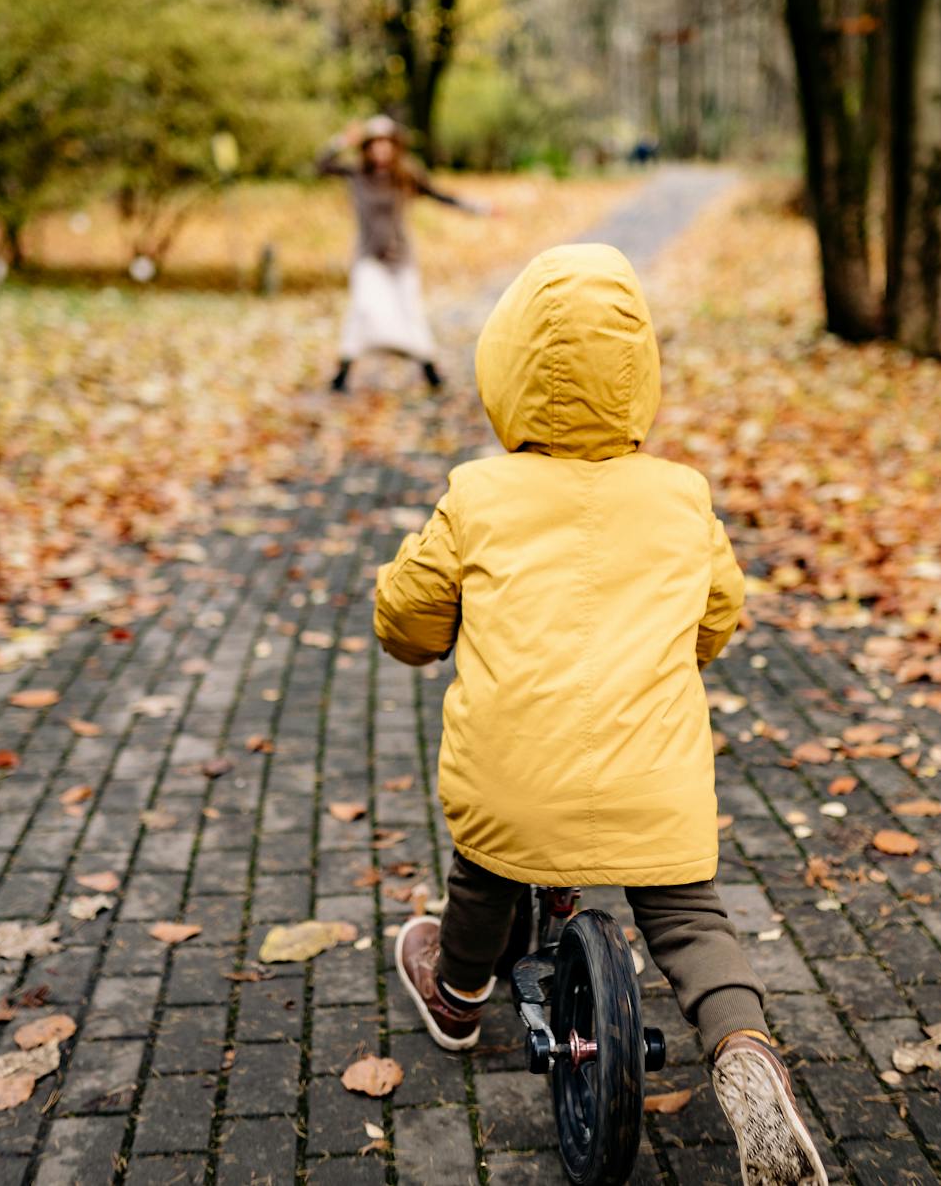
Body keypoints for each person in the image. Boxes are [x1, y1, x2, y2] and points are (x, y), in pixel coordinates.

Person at [375, 243, 831, 1186]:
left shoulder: (480, 494)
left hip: (517, 778)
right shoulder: (679, 495)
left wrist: (426, 631)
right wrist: (678, 649)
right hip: (650, 780)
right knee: (690, 914)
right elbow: (718, 616)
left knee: (487, 871)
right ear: (639, 376)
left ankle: (458, 995)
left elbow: (408, 615)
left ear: (503, 368)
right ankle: (744, 1051)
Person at [316, 115, 488, 393]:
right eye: (375, 144)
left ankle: (429, 369)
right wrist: (342, 141)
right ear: (367, 148)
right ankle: (343, 373)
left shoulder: (406, 175)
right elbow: (321, 165)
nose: (381, 150)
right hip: (368, 255)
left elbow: (439, 195)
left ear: (395, 147)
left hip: (401, 257)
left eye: (387, 144)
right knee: (362, 308)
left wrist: (476, 208)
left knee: (411, 312)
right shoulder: (358, 174)